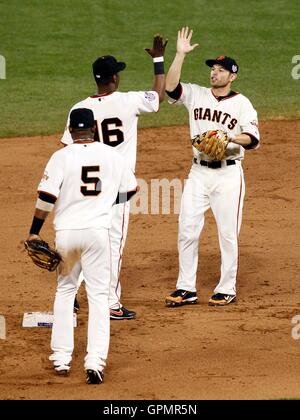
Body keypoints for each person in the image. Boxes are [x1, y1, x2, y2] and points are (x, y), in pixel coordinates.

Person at [25, 108, 137, 384]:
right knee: (99, 296)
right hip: (98, 234)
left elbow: (46, 197)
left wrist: (34, 232)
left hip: (69, 236)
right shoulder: (113, 155)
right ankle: (95, 362)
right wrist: (105, 202)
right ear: (95, 127)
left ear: (71, 130)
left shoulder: (61, 156)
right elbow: (131, 189)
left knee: (66, 291)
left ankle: (62, 359)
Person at [61, 35, 167, 320]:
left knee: (83, 238)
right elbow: (159, 96)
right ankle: (110, 303)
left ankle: (68, 294)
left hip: (86, 187)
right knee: (111, 245)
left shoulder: (79, 109)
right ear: (114, 79)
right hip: (117, 190)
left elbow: (67, 150)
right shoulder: (128, 101)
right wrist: (158, 60)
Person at [165, 27, 260, 307]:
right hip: (198, 172)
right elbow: (170, 87)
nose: (214, 73)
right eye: (213, 69)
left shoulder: (243, 104)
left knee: (227, 233)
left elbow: (253, 139)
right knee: (187, 228)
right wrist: (179, 55)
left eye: (220, 70)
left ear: (232, 76)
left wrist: (229, 137)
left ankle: (226, 287)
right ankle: (186, 288)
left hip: (229, 174)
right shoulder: (195, 94)